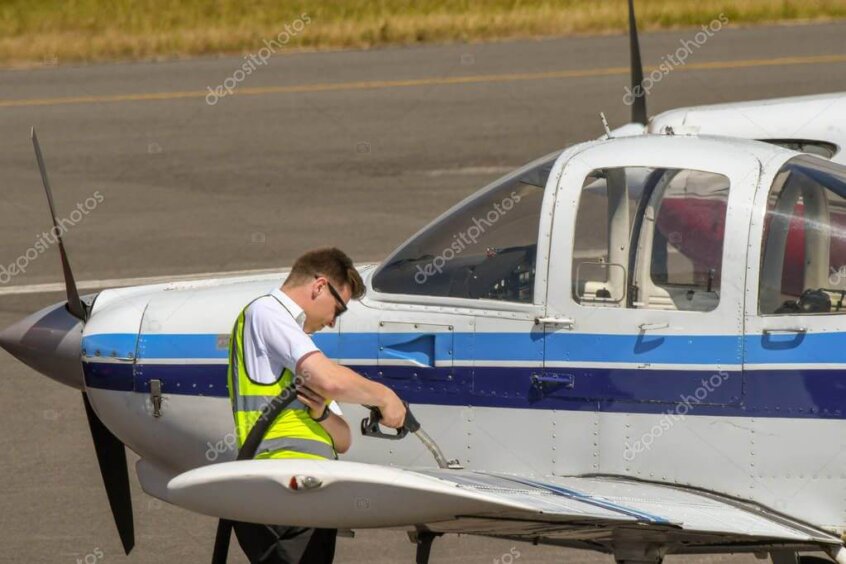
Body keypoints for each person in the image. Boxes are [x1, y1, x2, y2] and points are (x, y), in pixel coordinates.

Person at [227, 247, 407, 563]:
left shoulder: (298, 348)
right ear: (320, 286)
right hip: (282, 488)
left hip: (310, 494)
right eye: (337, 309)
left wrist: (321, 413)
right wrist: (385, 397)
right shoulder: (267, 313)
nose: (332, 322)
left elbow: (343, 440)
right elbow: (329, 380)